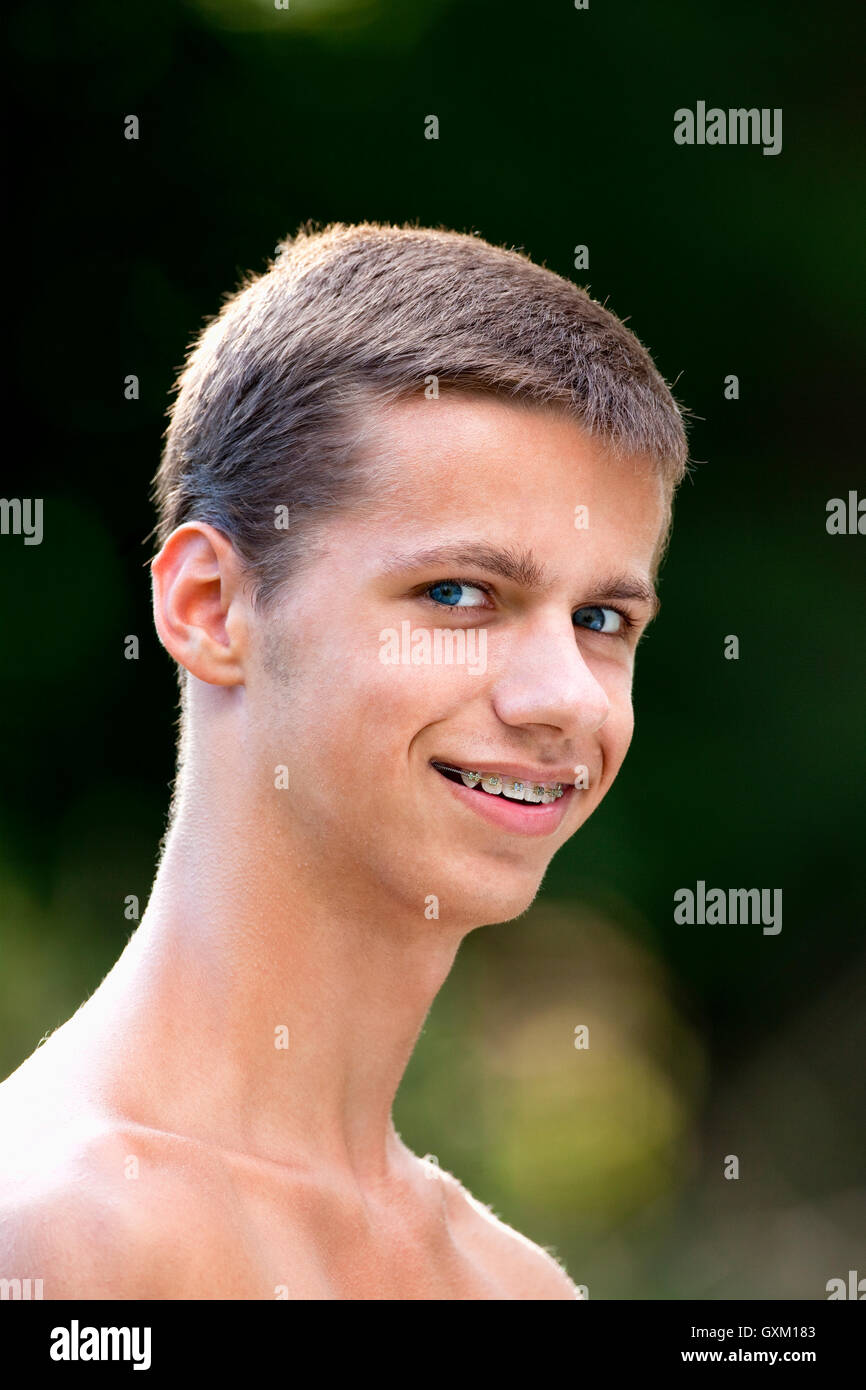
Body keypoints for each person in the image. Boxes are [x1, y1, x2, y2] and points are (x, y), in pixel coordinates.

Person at [0, 221, 688, 1299]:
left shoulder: (518, 1290)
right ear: (210, 606)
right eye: (460, 594)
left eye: (601, 617)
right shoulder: (51, 1242)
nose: (564, 697)